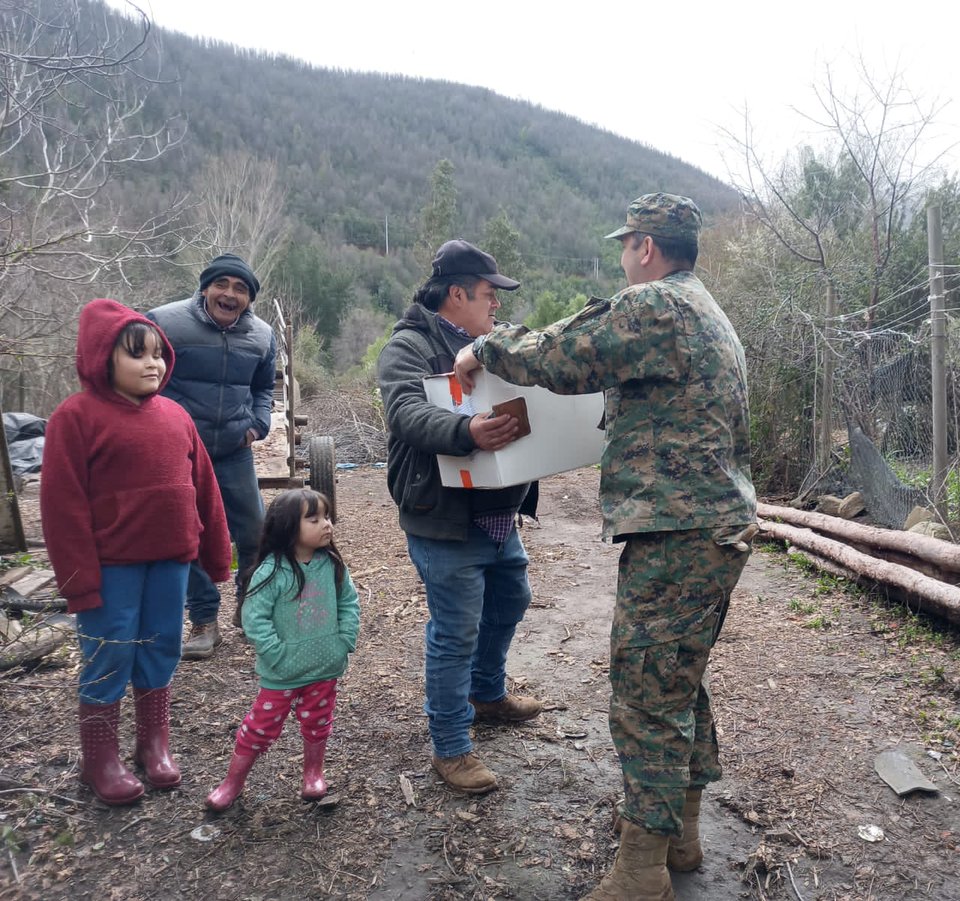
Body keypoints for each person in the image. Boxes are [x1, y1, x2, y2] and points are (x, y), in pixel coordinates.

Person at [453, 194, 758, 899]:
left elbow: (562, 354)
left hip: (679, 533)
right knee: (676, 681)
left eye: (626, 245)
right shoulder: (703, 308)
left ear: (645, 246)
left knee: (646, 694)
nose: (623, 257)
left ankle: (641, 873)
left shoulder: (658, 305)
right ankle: (680, 836)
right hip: (711, 529)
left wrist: (484, 347)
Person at [40, 299, 231, 806]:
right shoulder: (75, 418)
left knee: (161, 645)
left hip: (171, 561)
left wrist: (216, 556)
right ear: (102, 358)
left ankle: (152, 745)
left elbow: (204, 489)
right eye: (137, 354)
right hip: (110, 567)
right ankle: (99, 759)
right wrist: (78, 581)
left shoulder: (176, 416)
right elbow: (61, 507)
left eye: (158, 354)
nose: (153, 364)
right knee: (110, 652)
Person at [376, 239, 542, 795]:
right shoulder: (409, 345)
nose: (497, 304)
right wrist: (466, 431)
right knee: (455, 631)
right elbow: (406, 412)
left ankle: (486, 693)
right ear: (456, 294)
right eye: (489, 294)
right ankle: (450, 746)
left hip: (499, 513)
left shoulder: (495, 343)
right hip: (443, 516)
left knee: (511, 599)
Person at [148, 253, 277, 660]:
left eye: (241, 289)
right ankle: (204, 620)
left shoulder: (262, 335)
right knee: (186, 535)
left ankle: (250, 609)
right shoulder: (165, 322)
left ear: (249, 299)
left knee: (255, 532)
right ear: (205, 288)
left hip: (233, 451)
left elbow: (263, 388)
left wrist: (257, 425)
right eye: (221, 284)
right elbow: (144, 376)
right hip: (181, 453)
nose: (230, 294)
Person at [206, 488, 360, 811]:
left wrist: (345, 639)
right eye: (314, 519)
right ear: (288, 527)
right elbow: (254, 617)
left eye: (327, 516)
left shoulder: (332, 565)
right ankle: (232, 783)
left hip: (325, 669)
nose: (326, 524)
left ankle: (313, 774)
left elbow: (349, 602)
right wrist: (275, 653)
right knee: (259, 727)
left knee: (318, 721)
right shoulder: (272, 571)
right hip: (282, 673)